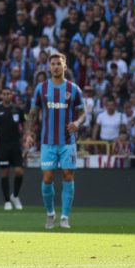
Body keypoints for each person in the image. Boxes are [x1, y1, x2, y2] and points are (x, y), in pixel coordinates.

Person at [24, 52, 85, 229]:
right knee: (48, 177)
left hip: (68, 141)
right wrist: (28, 133)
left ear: (65, 67)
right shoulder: (41, 89)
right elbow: (33, 114)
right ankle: (50, 213)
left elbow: (83, 113)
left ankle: (65, 217)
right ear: (49, 67)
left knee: (68, 175)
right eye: (53, 64)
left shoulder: (74, 89)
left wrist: (77, 122)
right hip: (48, 142)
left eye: (59, 64)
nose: (56, 66)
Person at [0, 86, 26, 210]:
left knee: (19, 171)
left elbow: (24, 124)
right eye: (4, 93)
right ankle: (7, 201)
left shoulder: (17, 110)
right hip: (2, 145)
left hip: (16, 145)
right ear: (1, 96)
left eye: (9, 93)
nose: (7, 95)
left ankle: (15, 195)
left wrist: (25, 137)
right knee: (5, 172)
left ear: (12, 95)